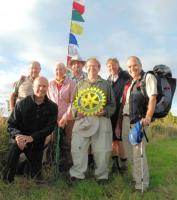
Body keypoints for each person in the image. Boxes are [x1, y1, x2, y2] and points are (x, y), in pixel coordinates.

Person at [3, 77, 58, 183]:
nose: (41, 88)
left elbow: (49, 128)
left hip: (37, 142)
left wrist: (32, 138)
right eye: (39, 85)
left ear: (48, 88)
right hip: (20, 141)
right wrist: (18, 136)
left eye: (44, 86)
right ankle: (7, 179)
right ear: (33, 87)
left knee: (36, 177)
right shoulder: (21, 104)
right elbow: (11, 124)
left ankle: (24, 169)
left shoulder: (53, 107)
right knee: (14, 147)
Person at [69, 57, 116, 183]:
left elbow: (112, 104)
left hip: (101, 120)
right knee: (78, 147)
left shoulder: (106, 84)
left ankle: (102, 176)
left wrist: (105, 111)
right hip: (83, 120)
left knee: (102, 149)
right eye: (89, 66)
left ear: (99, 68)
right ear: (86, 68)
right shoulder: (80, 84)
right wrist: (77, 112)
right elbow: (73, 103)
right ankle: (77, 174)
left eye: (94, 66)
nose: (91, 68)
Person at [122, 56, 157, 191]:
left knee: (138, 154)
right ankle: (137, 178)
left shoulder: (148, 77)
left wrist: (148, 117)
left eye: (134, 65)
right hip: (126, 120)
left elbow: (153, 98)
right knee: (130, 153)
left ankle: (141, 185)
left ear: (140, 65)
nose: (132, 68)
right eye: (129, 67)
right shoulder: (131, 83)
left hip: (139, 122)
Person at [48, 62, 76, 172]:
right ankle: (53, 167)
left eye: (61, 69)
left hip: (68, 119)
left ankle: (67, 168)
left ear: (65, 71)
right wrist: (53, 117)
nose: (58, 71)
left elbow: (73, 102)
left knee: (67, 143)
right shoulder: (50, 84)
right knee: (53, 142)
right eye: (56, 69)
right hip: (53, 119)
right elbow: (48, 101)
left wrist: (65, 117)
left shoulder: (71, 83)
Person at [106, 58, 130, 174]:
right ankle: (115, 165)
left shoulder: (124, 75)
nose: (112, 68)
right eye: (109, 66)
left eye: (114, 65)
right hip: (110, 113)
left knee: (119, 139)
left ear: (118, 65)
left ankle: (124, 164)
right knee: (112, 140)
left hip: (121, 112)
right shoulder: (108, 80)